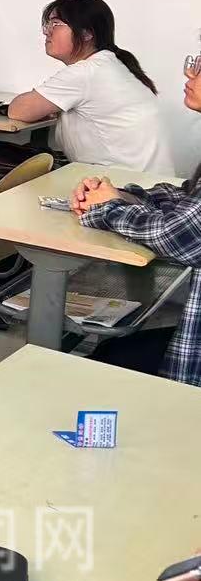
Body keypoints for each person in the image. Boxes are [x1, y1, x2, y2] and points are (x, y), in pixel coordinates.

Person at [68, 50, 201, 386]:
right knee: (112, 352)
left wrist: (107, 208)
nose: (190, 74)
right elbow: (188, 197)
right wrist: (123, 196)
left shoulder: (89, 70)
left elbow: (176, 235)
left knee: (104, 366)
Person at [9, 0, 174, 173]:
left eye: (56, 24)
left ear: (86, 33)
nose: (46, 31)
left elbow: (17, 111)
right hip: (147, 180)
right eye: (47, 24)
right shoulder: (111, 63)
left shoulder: (86, 72)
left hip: (126, 183)